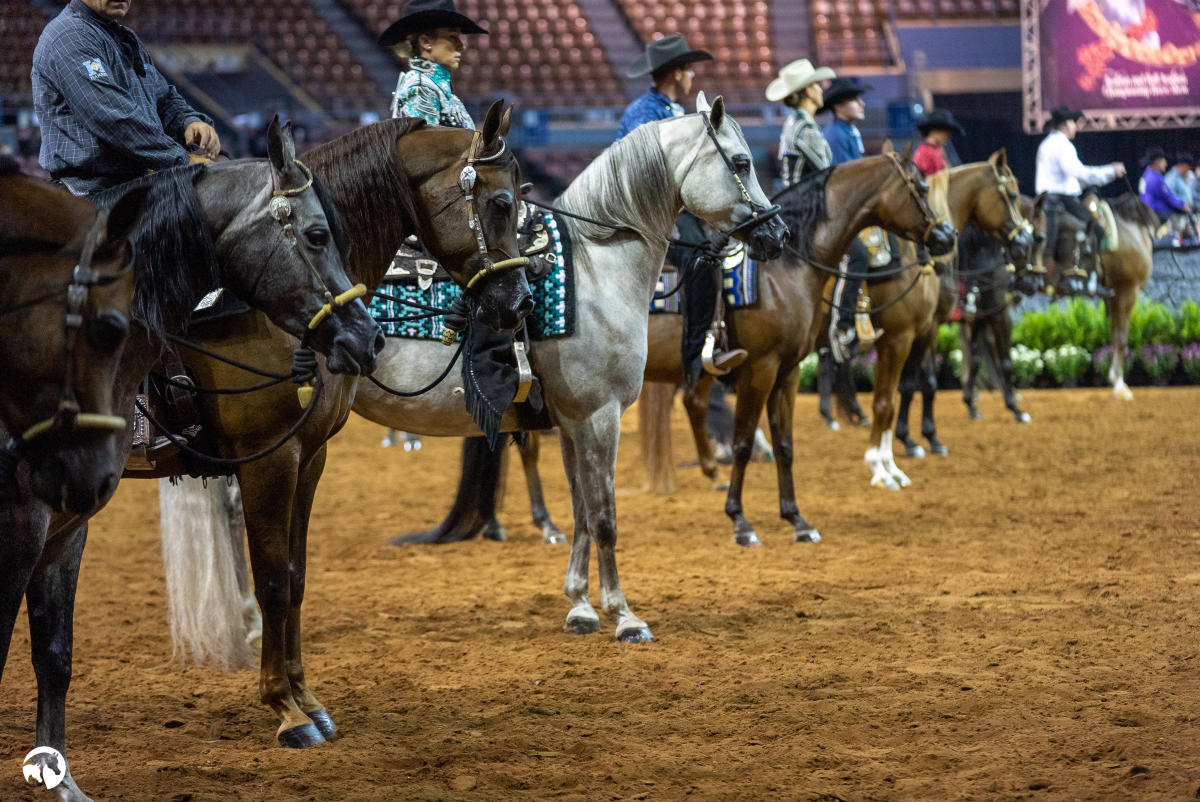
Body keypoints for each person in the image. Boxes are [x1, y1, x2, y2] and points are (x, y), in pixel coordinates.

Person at [618, 35, 747, 379]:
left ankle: (716, 338)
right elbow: (641, 169)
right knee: (701, 258)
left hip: (677, 207)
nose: (693, 77)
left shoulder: (673, 111)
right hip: (650, 211)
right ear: (676, 73)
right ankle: (695, 355)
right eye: (690, 70)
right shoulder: (644, 112)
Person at [32, 0, 220, 197]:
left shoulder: (124, 37)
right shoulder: (69, 35)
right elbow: (110, 117)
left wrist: (188, 122)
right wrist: (181, 160)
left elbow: (163, 98)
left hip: (134, 181)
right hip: (91, 191)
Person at [1034, 105, 1125, 293]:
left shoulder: (1047, 144)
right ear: (1067, 124)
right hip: (1062, 202)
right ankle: (1091, 278)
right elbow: (1079, 173)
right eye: (1074, 123)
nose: (1076, 127)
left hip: (1046, 201)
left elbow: (1070, 179)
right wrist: (1110, 171)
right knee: (1097, 230)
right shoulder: (1063, 145)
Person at [821, 77, 878, 362]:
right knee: (857, 256)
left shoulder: (849, 132)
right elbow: (844, 181)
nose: (863, 103)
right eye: (857, 100)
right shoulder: (835, 135)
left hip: (849, 212)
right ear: (841, 105)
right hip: (836, 215)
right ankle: (842, 325)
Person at [379, 0, 486, 129]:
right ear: (426, 42)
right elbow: (424, 147)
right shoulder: (421, 88)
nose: (461, 46)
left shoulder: (432, 86)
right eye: (453, 37)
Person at [767, 58, 835, 188]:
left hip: (795, 197)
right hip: (807, 200)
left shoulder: (793, 121)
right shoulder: (806, 127)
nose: (821, 90)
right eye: (817, 85)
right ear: (809, 91)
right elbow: (825, 172)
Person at [912, 108, 965, 178]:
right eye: (946, 133)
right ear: (936, 131)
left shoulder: (937, 150)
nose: (948, 137)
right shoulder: (924, 152)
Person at [1165, 152, 1198, 245]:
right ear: (1183, 165)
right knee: (1176, 243)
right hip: (1175, 216)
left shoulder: (1182, 177)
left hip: (1185, 216)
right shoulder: (1171, 178)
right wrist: (1181, 204)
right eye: (1188, 168)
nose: (1188, 170)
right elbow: (1167, 197)